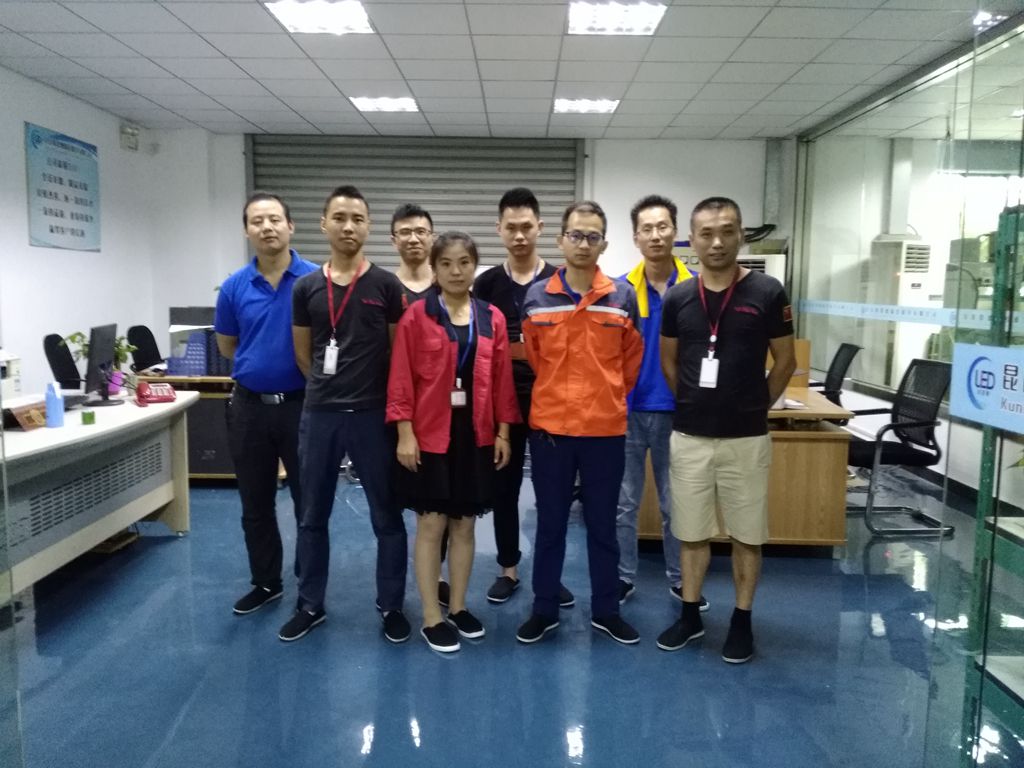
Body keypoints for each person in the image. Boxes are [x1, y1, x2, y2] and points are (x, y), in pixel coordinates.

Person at [657, 196, 795, 664]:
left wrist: (755, 406)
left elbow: (785, 361)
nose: (717, 242)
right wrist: (695, 403)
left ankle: (741, 620)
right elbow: (669, 361)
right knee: (691, 532)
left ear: (740, 236)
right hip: (690, 436)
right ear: (692, 241)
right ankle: (690, 615)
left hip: (747, 438)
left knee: (747, 534)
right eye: (707, 233)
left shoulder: (767, 292)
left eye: (727, 231)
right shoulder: (678, 297)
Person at [280, 185, 410, 644]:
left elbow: (398, 353)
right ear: (324, 225)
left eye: (357, 218)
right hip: (321, 415)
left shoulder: (386, 286)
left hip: (372, 415)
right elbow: (304, 354)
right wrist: (328, 388)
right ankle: (310, 603)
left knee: (386, 516)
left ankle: (391, 605)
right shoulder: (305, 288)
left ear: (368, 226)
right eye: (339, 217)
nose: (348, 226)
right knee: (312, 514)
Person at [516, 200, 644, 646]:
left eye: (593, 236)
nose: (584, 244)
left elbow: (630, 364)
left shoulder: (622, 298)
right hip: (551, 431)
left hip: (604, 433)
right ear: (560, 240)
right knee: (550, 524)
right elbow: (536, 358)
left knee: (603, 525)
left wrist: (604, 398)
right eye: (576, 235)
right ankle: (544, 609)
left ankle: (606, 610)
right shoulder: (537, 298)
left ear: (604, 244)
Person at [387, 232, 520, 653]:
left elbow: (502, 380)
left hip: (476, 433)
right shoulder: (417, 316)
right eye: (446, 263)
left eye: (464, 262)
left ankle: (459, 607)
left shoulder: (491, 317)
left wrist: (503, 432)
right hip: (430, 435)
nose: (456, 271)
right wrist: (404, 433)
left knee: (465, 524)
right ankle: (431, 616)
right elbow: (401, 377)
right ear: (435, 268)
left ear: (475, 266)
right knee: (432, 525)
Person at [215, 192, 318, 615]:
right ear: (246, 231)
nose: (267, 227)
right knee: (255, 503)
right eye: (257, 221)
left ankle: (310, 588)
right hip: (250, 409)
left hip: (303, 406)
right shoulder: (234, 287)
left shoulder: (316, 279)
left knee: (309, 504)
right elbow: (227, 345)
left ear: (290, 226)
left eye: (275, 219)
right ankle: (265, 582)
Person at [472, 187, 573, 609]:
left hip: (551, 399)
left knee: (553, 491)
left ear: (540, 228)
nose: (519, 235)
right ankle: (508, 568)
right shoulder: (486, 284)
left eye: (526, 227)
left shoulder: (560, 281)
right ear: (498, 229)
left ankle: (551, 573)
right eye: (510, 227)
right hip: (503, 402)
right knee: (505, 487)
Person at [615, 194, 709, 612]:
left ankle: (681, 580)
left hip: (679, 413)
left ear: (676, 233)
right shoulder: (620, 290)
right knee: (624, 505)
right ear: (636, 237)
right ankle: (622, 578)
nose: (655, 235)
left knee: (678, 506)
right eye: (646, 229)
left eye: (662, 227)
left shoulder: (697, 289)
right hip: (628, 412)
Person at [392, 203, 434, 309]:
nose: (413, 240)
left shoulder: (445, 286)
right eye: (405, 232)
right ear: (394, 241)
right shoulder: (387, 288)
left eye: (421, 232)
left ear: (432, 239)